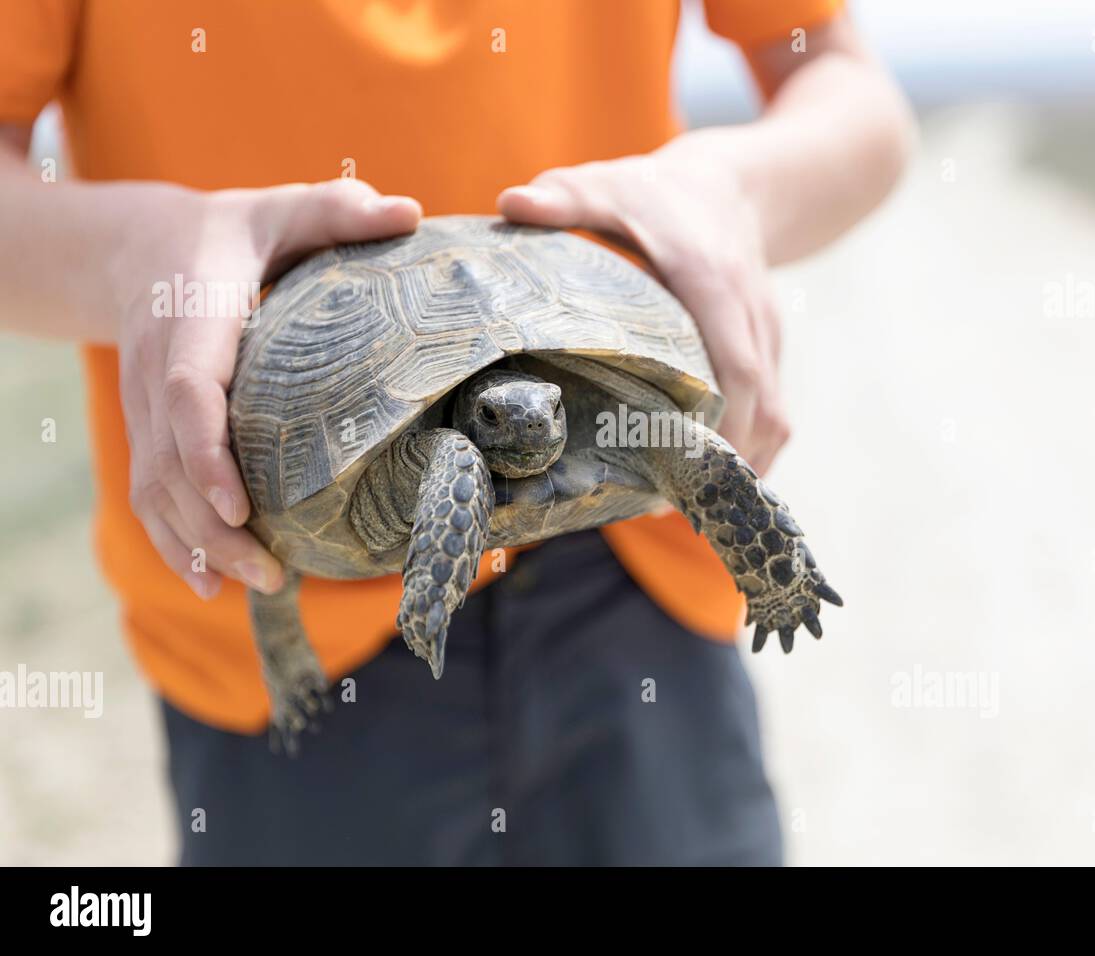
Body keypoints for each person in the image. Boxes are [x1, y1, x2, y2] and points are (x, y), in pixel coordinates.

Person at [0, 0, 912, 865]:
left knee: (679, 448)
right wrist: (138, 256)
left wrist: (739, 192)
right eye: (494, 419)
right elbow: (452, 461)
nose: (520, 426)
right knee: (447, 472)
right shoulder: (451, 458)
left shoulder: (596, 423)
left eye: (539, 415)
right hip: (291, 653)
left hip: (646, 590)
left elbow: (847, 87)